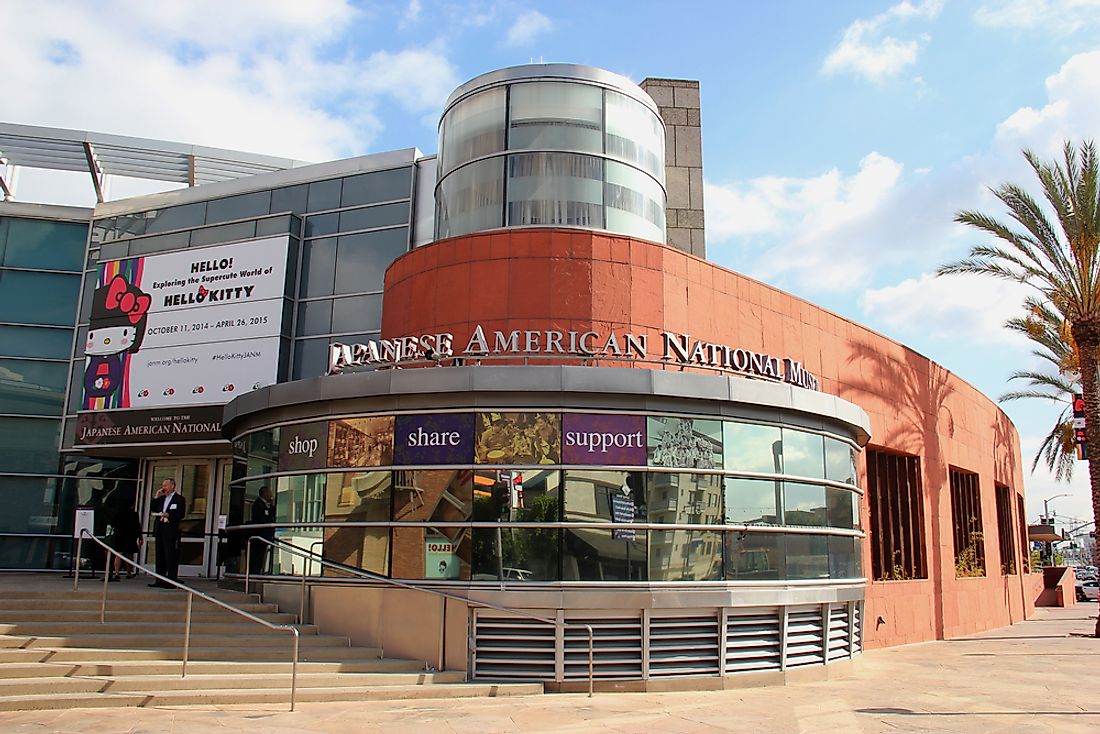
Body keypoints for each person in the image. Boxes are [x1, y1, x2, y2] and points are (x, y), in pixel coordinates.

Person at [150, 478, 185, 587]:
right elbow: (153, 508)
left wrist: (169, 515)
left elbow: (181, 514)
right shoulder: (161, 499)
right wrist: (156, 496)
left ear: (172, 486)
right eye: (163, 485)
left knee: (170, 555)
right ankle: (159, 579)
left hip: (170, 530)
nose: (163, 487)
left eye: (166, 485)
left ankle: (171, 580)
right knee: (159, 555)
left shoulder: (179, 499)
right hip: (160, 529)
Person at [107, 502, 143, 581]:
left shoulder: (118, 514)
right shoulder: (134, 514)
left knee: (118, 554)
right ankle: (129, 573)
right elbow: (137, 526)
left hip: (119, 535)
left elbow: (112, 524)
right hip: (130, 536)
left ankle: (116, 573)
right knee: (129, 555)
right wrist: (140, 537)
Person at [249, 486, 275, 575]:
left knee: (261, 556)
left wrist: (271, 505)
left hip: (264, 536)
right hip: (259, 535)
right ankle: (254, 573)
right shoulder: (258, 504)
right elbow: (262, 519)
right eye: (269, 492)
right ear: (264, 493)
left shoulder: (267, 505)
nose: (271, 495)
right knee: (257, 556)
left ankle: (258, 572)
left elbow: (270, 516)